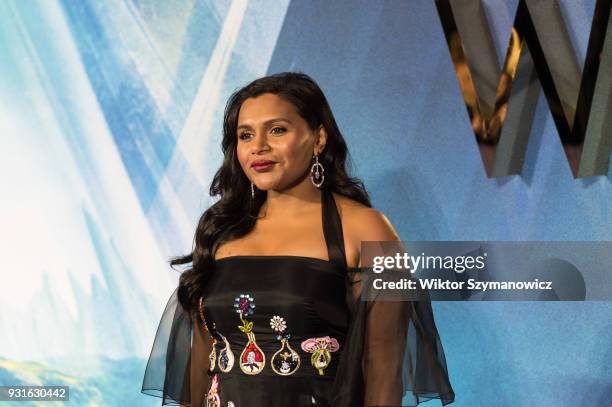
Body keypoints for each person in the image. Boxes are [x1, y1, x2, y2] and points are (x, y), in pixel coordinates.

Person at [141, 72, 455, 406]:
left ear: (318, 139)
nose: (258, 146)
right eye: (245, 135)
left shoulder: (367, 229)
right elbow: (202, 364)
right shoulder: (221, 230)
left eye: (277, 130)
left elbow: (382, 372)